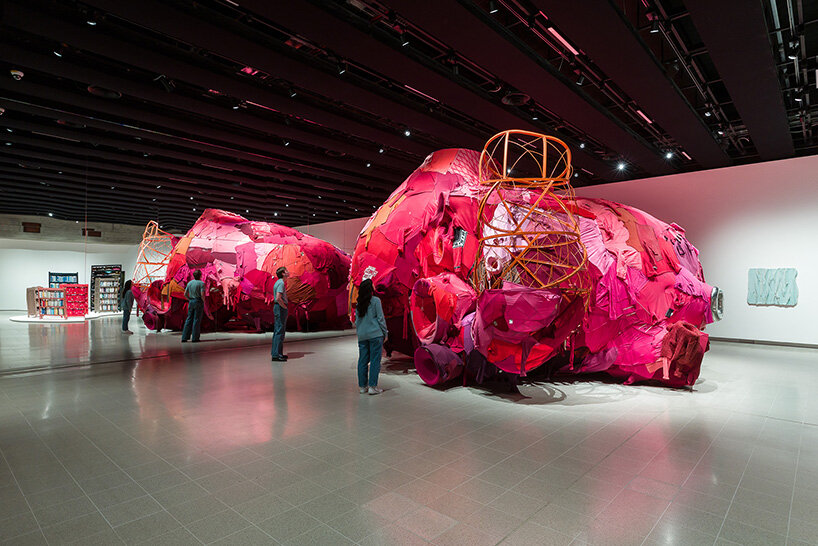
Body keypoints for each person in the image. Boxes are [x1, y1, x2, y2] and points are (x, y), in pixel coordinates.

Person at [355, 279, 388, 395]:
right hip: (375, 335)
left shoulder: (359, 303)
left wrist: (360, 333)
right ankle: (373, 386)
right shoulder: (375, 301)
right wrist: (385, 333)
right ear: (370, 288)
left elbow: (356, 321)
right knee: (375, 361)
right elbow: (380, 319)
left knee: (362, 361)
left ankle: (362, 386)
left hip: (362, 336)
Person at [271, 267, 290, 361]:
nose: (288, 272)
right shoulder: (281, 283)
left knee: (278, 331)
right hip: (280, 308)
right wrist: (284, 306)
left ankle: (277, 353)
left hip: (278, 308)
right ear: (283, 273)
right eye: (286, 271)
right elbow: (278, 297)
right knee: (280, 331)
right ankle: (277, 355)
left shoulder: (278, 282)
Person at [181, 270, 205, 343]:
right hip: (198, 301)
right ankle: (195, 338)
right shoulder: (201, 283)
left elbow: (185, 294)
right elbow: (202, 294)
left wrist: (189, 299)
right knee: (196, 320)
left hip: (191, 301)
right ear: (200, 275)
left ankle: (184, 337)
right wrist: (203, 301)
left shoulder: (190, 283)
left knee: (189, 319)